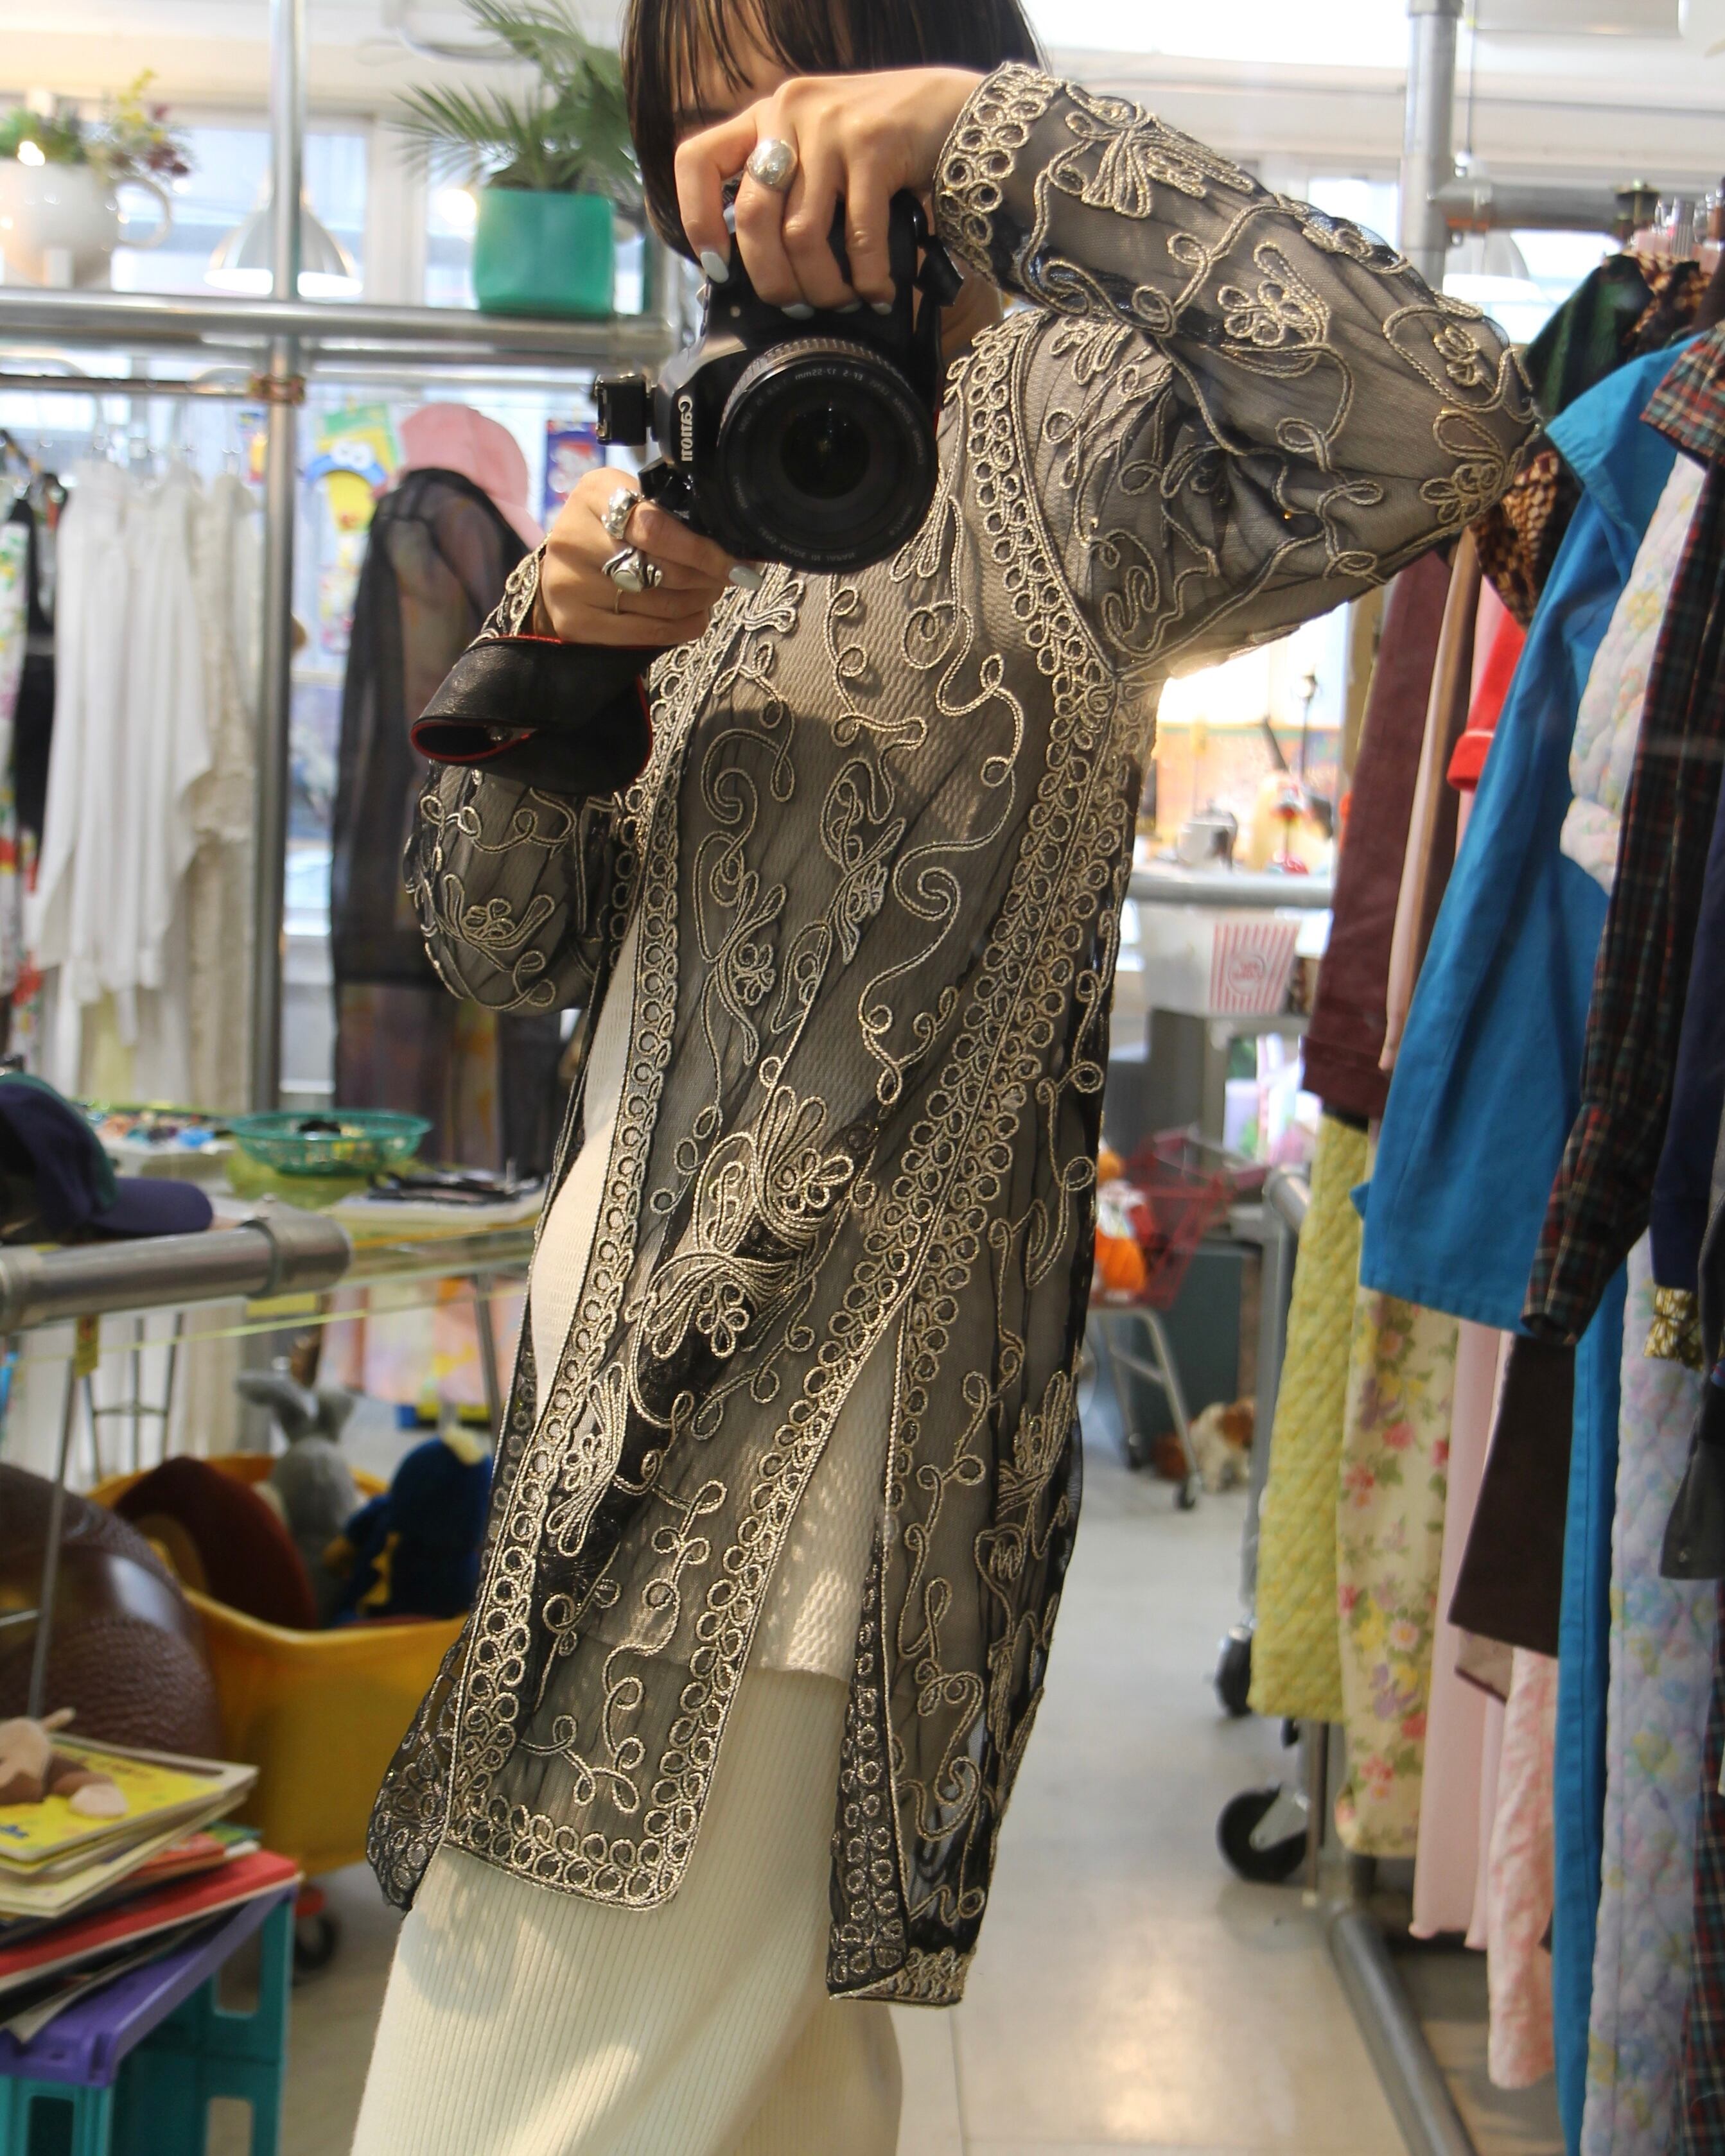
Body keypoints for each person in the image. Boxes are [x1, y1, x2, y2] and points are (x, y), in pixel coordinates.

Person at [352, 3, 1535, 2148]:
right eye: (702, 122)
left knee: (501, 2094)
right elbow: (503, 949)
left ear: (908, 70)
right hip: (603, 1386)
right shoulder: (716, 429)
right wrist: (558, 659)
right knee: (771, 2109)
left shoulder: (1094, 432)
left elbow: (1439, 414)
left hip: (807, 1474)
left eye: (794, 93)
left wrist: (993, 139)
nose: (749, 165)